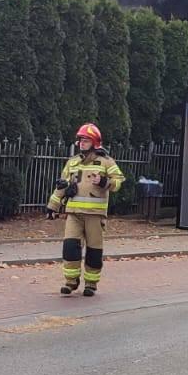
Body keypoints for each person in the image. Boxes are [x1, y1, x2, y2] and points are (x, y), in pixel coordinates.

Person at [46, 122, 125, 296]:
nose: (82, 143)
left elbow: (119, 181)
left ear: (95, 142)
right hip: (73, 214)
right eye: (80, 140)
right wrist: (53, 206)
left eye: (86, 140)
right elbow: (62, 185)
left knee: (94, 251)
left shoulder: (106, 162)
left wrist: (104, 182)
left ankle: (91, 284)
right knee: (70, 248)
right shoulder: (72, 162)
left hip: (95, 215)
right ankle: (71, 282)